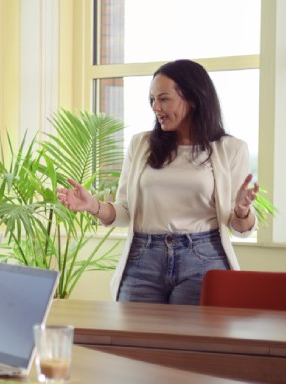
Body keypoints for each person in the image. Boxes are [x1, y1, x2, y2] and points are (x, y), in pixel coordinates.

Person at [56, 59, 258, 305]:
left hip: (203, 260)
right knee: (133, 341)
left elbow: (240, 228)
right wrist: (93, 206)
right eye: (152, 99)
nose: (155, 107)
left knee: (190, 344)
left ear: (193, 99)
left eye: (163, 99)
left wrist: (241, 210)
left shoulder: (230, 149)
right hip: (143, 259)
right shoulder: (141, 145)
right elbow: (125, 212)